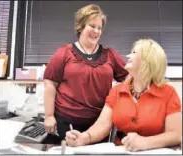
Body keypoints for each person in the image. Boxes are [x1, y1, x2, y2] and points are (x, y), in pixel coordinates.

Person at [65, 39, 182, 152]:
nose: (128, 56)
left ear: (148, 60)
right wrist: (84, 138)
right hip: (123, 151)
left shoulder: (168, 93)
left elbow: (176, 134)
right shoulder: (117, 91)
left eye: (134, 53)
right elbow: (102, 125)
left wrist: (145, 142)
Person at [43, 4, 128, 141]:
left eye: (99, 28)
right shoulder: (64, 52)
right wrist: (49, 116)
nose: (96, 31)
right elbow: (50, 84)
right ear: (81, 27)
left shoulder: (110, 55)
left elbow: (129, 78)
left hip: (99, 124)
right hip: (67, 122)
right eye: (92, 26)